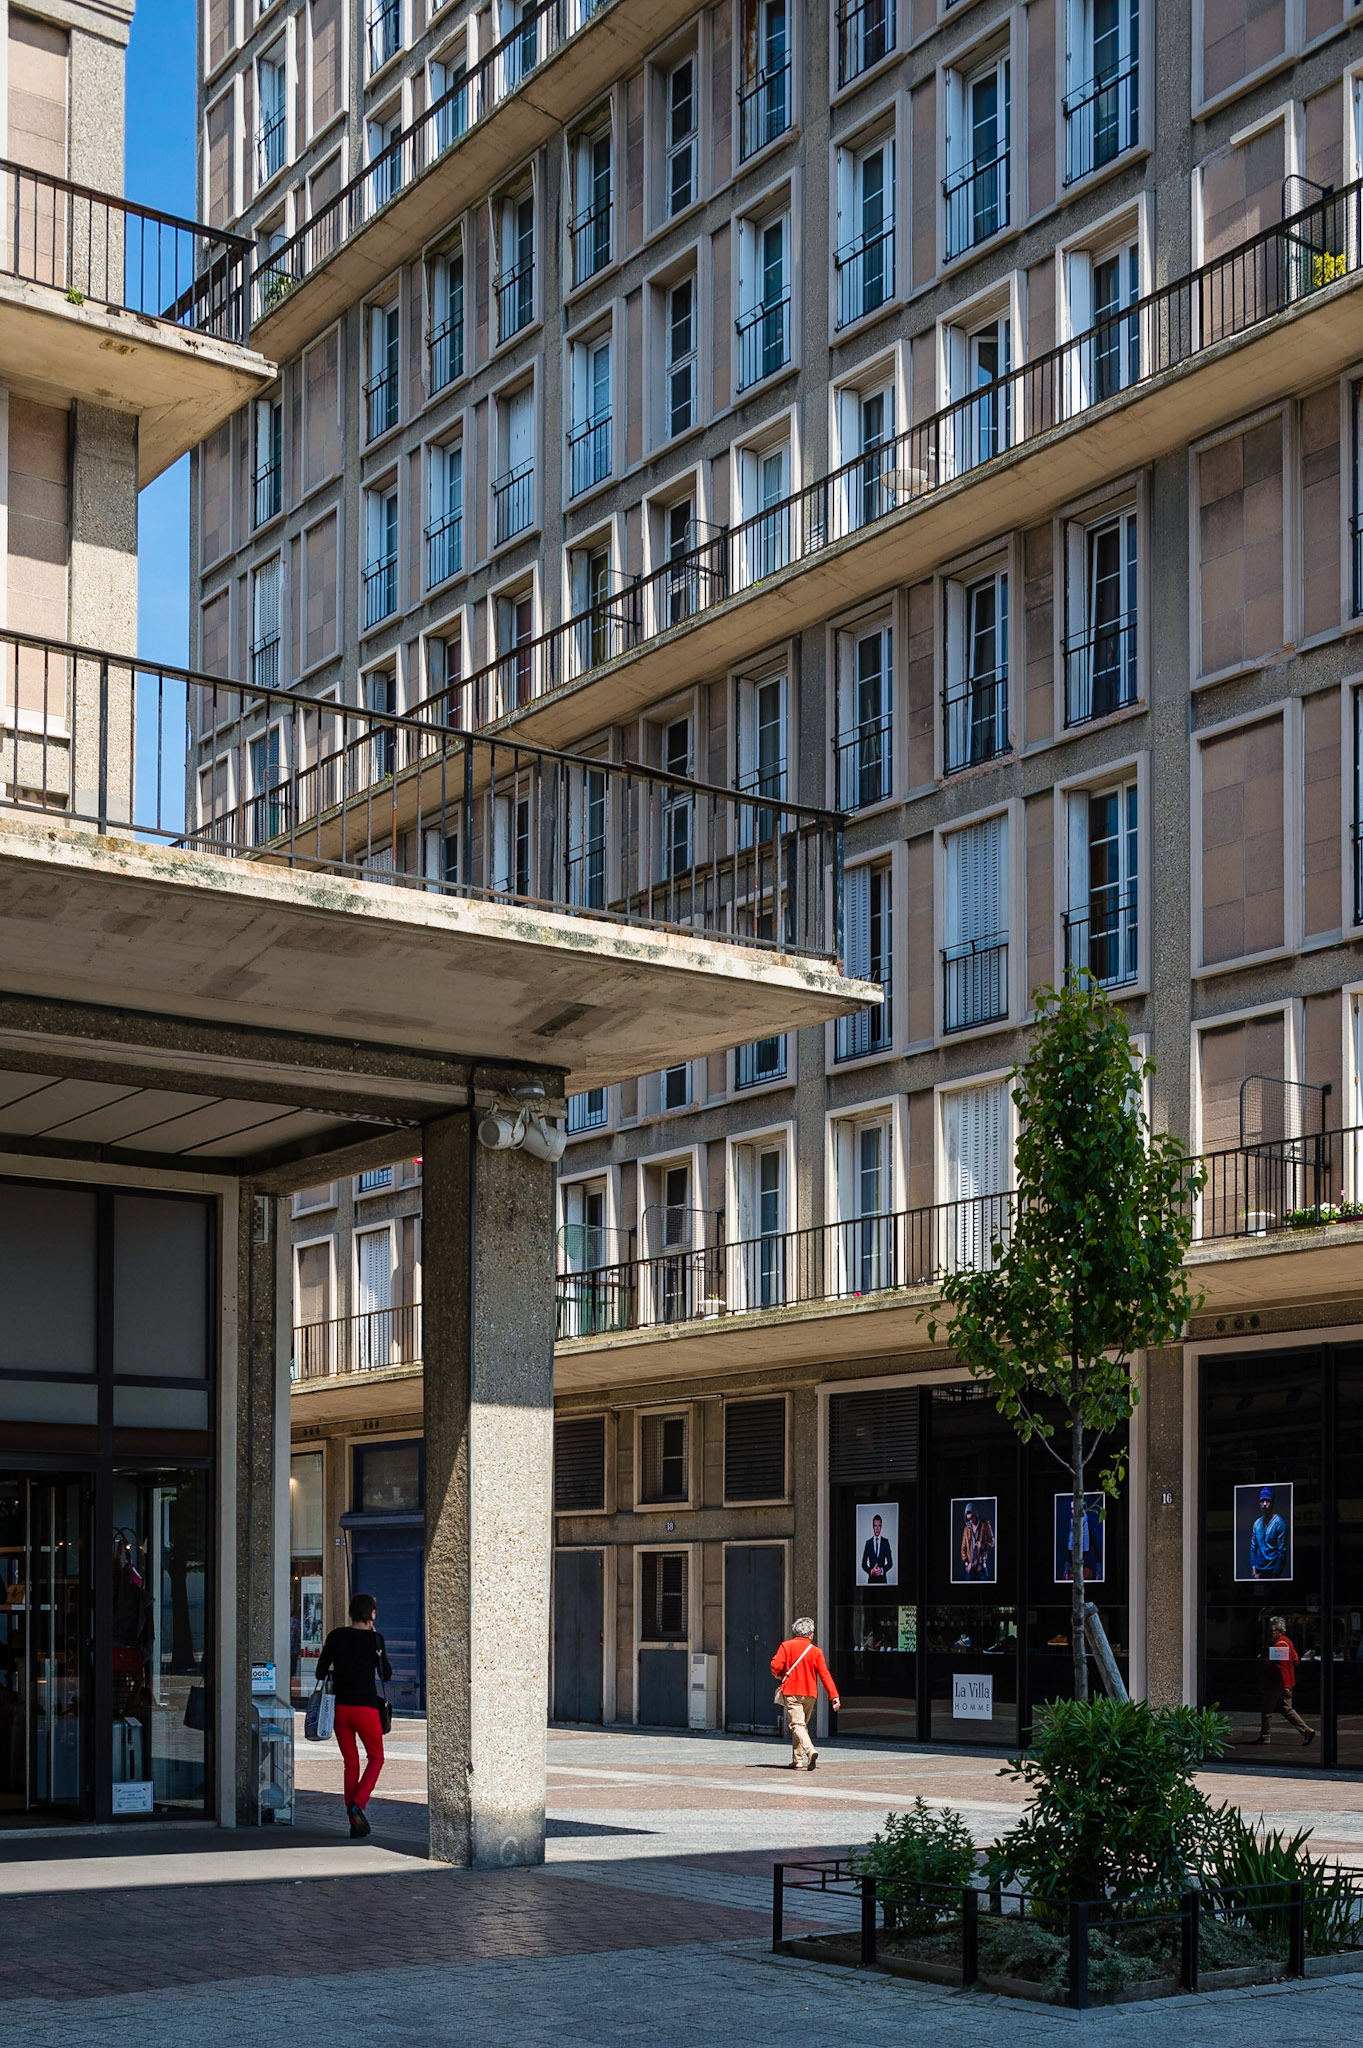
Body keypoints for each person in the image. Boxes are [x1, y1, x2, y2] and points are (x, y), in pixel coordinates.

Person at [314, 1592, 392, 1836]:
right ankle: (359, 1804)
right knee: (376, 1758)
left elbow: (319, 1672)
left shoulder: (336, 1636)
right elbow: (386, 1675)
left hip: (339, 1709)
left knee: (351, 1763)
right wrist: (375, 1645)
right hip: (366, 1709)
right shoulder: (376, 1640)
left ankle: (354, 1822)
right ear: (372, 1614)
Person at [771, 1617, 839, 1772]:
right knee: (801, 1726)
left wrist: (779, 1674)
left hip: (792, 1691)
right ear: (810, 1634)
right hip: (810, 1693)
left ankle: (810, 1751)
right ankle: (797, 1760)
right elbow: (824, 1675)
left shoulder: (786, 1646)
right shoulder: (816, 1651)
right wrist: (833, 1696)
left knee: (797, 1725)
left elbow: (775, 1665)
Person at [1256, 1615, 1314, 1747]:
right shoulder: (1288, 1642)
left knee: (1267, 1710)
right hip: (1285, 1683)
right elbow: (1295, 1660)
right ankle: (1306, 1731)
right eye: (1270, 1630)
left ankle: (1265, 1737)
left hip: (1276, 1684)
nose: (1270, 1633)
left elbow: (1280, 1667)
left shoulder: (1279, 1645)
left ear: (1280, 1631)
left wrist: (1285, 1686)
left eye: (1273, 1630)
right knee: (1286, 1709)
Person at [1250, 1488, 1287, 1579]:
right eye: (1262, 1501)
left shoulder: (1279, 1523)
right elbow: (1253, 1549)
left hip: (1272, 1571)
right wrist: (1254, 1571)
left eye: (1268, 1501)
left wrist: (1275, 1575)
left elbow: (1282, 1552)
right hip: (1258, 1571)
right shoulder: (1257, 1524)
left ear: (1272, 1503)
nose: (1265, 1504)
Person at [960, 1502, 995, 1582]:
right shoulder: (966, 1530)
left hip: (981, 1567)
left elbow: (992, 1541)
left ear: (975, 1514)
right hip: (970, 1569)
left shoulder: (985, 1524)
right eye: (968, 1519)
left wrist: (982, 1545)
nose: (971, 1521)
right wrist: (967, 1564)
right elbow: (963, 1548)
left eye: (972, 1517)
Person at [861, 1513, 893, 1583]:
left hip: (883, 1580)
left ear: (881, 1527)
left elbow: (890, 1562)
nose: (877, 1528)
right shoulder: (868, 1543)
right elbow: (863, 1563)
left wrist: (881, 1570)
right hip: (871, 1581)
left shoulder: (885, 1542)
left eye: (879, 1526)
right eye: (875, 1526)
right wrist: (871, 1571)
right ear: (873, 1527)